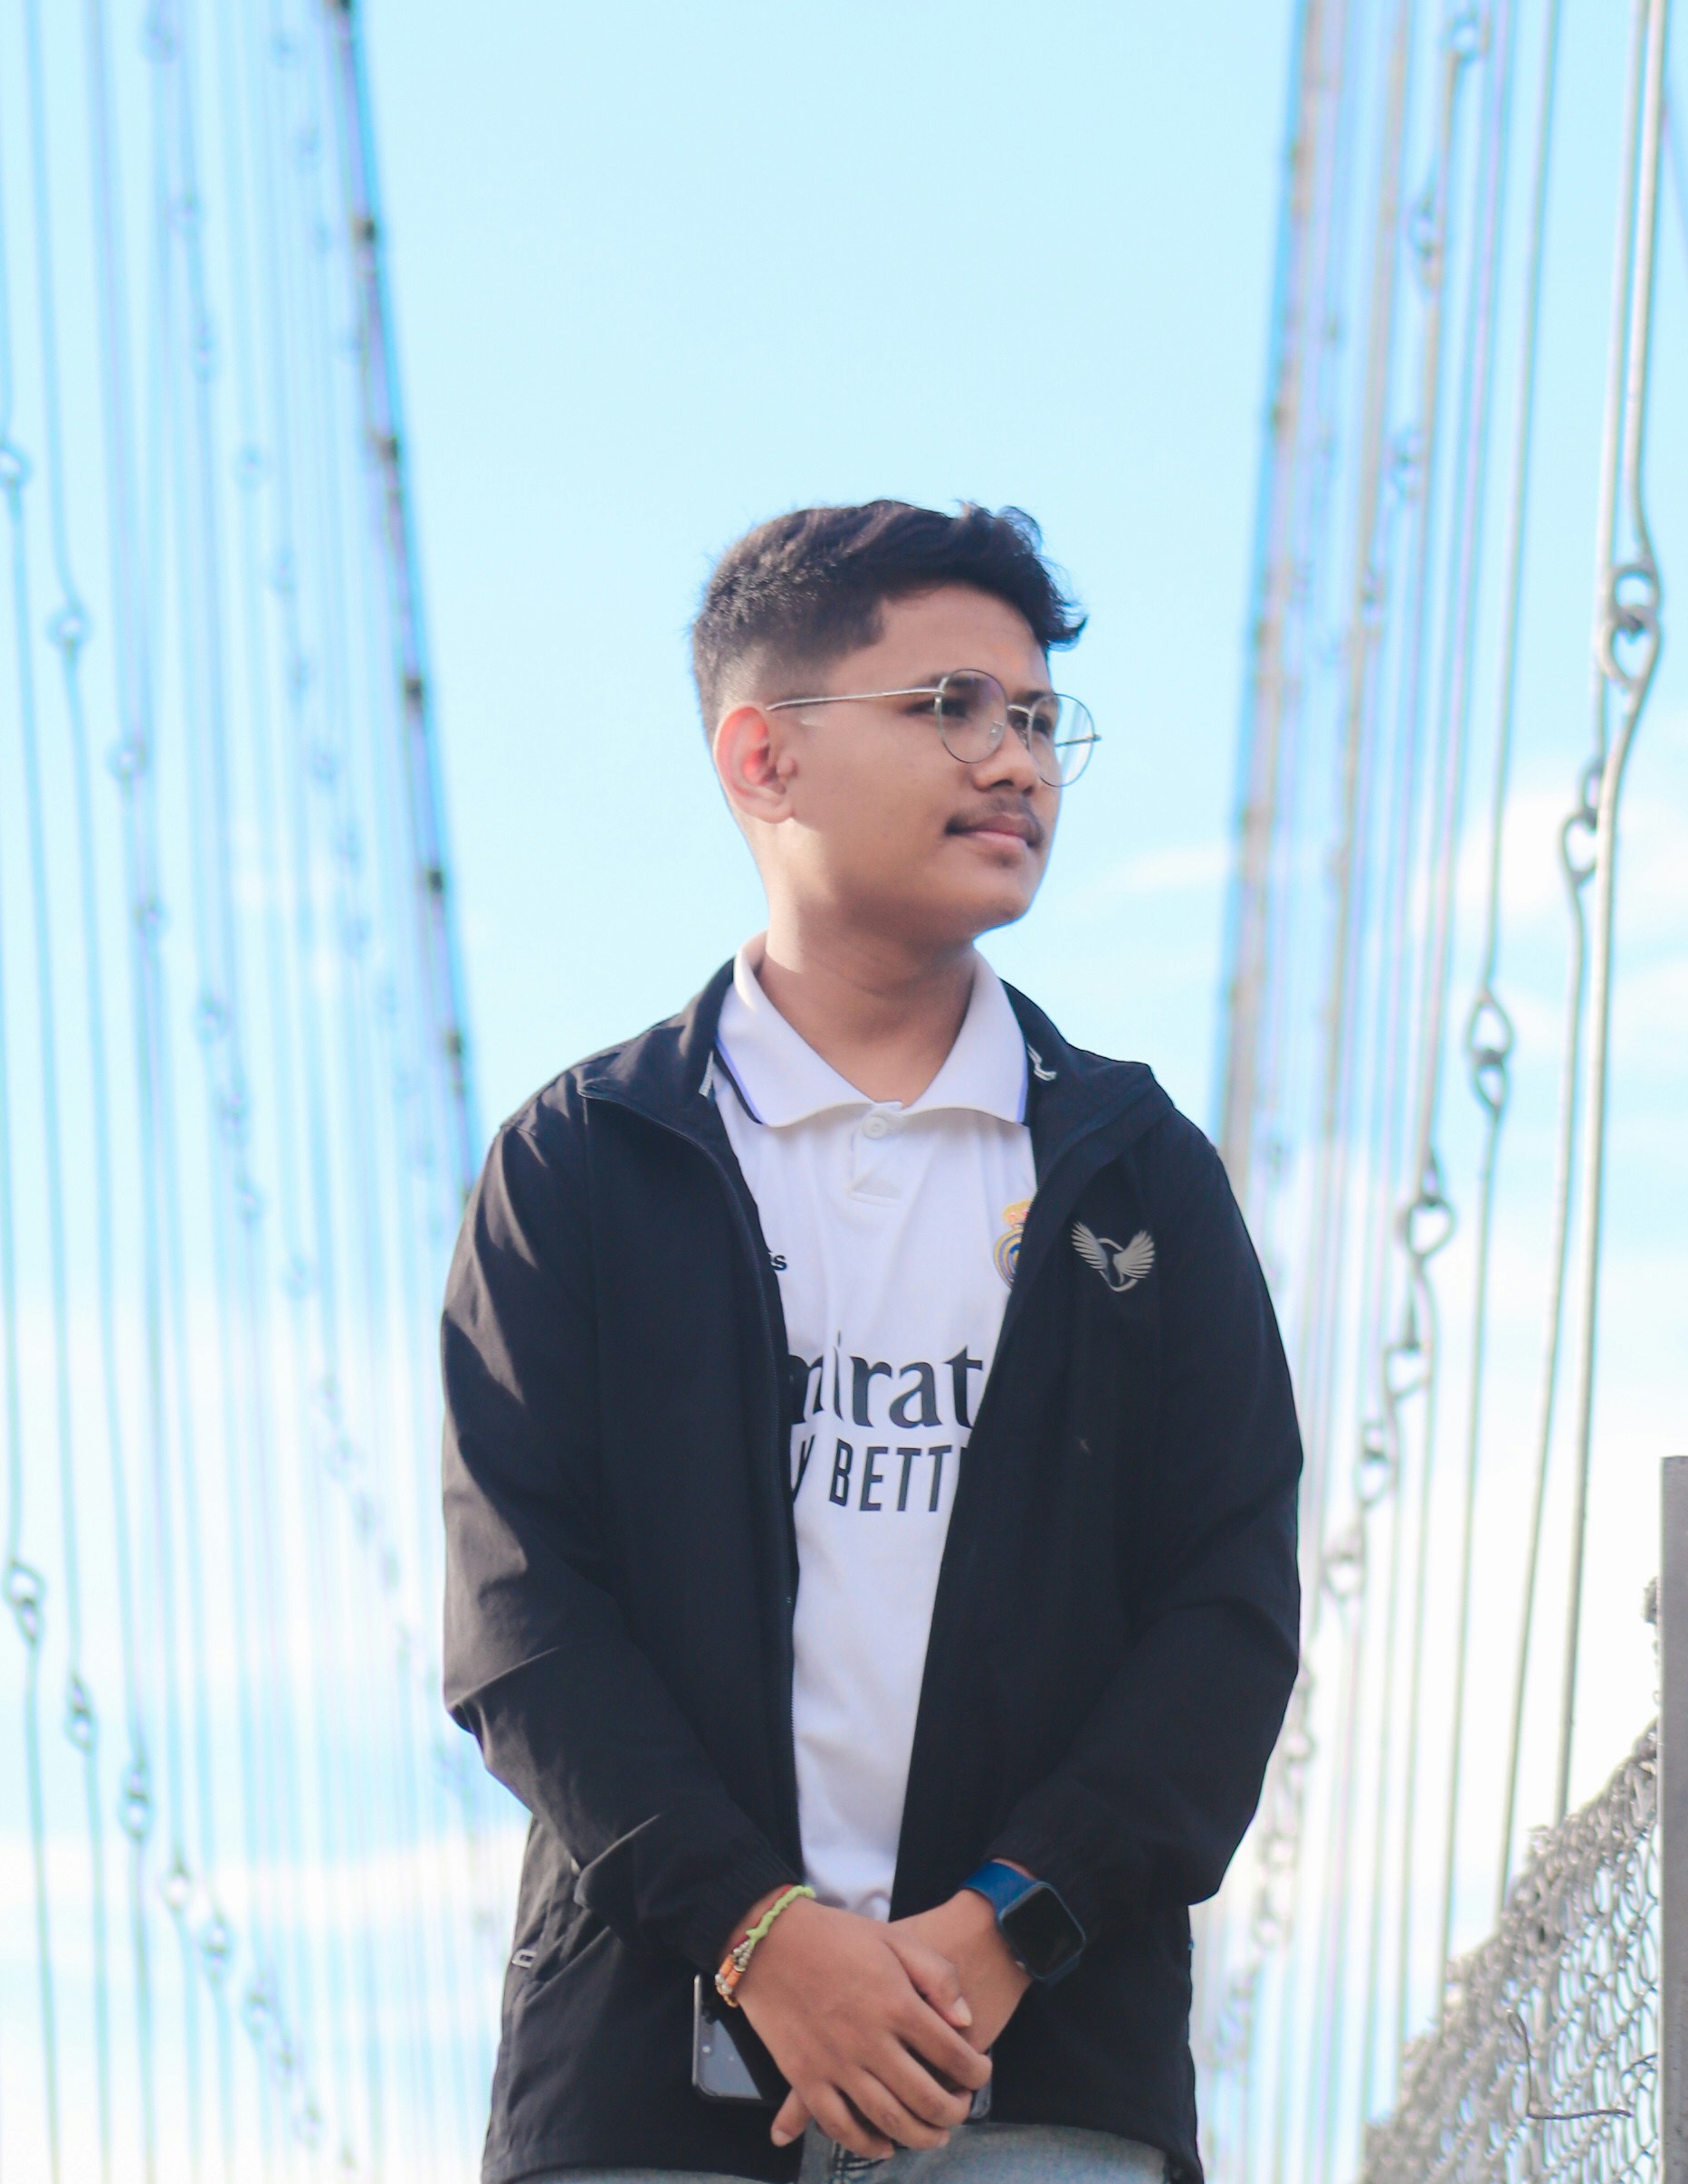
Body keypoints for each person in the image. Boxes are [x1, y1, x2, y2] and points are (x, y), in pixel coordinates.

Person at [442, 500, 1301, 2184]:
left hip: (1047, 2083)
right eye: (955, 708)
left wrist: (1001, 1931)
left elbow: (1227, 1617)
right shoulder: (583, 1165)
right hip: (643, 2086)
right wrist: (766, 1940)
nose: (1020, 764)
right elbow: (521, 1623)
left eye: (1043, 720)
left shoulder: (1138, 1177)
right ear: (762, 758)